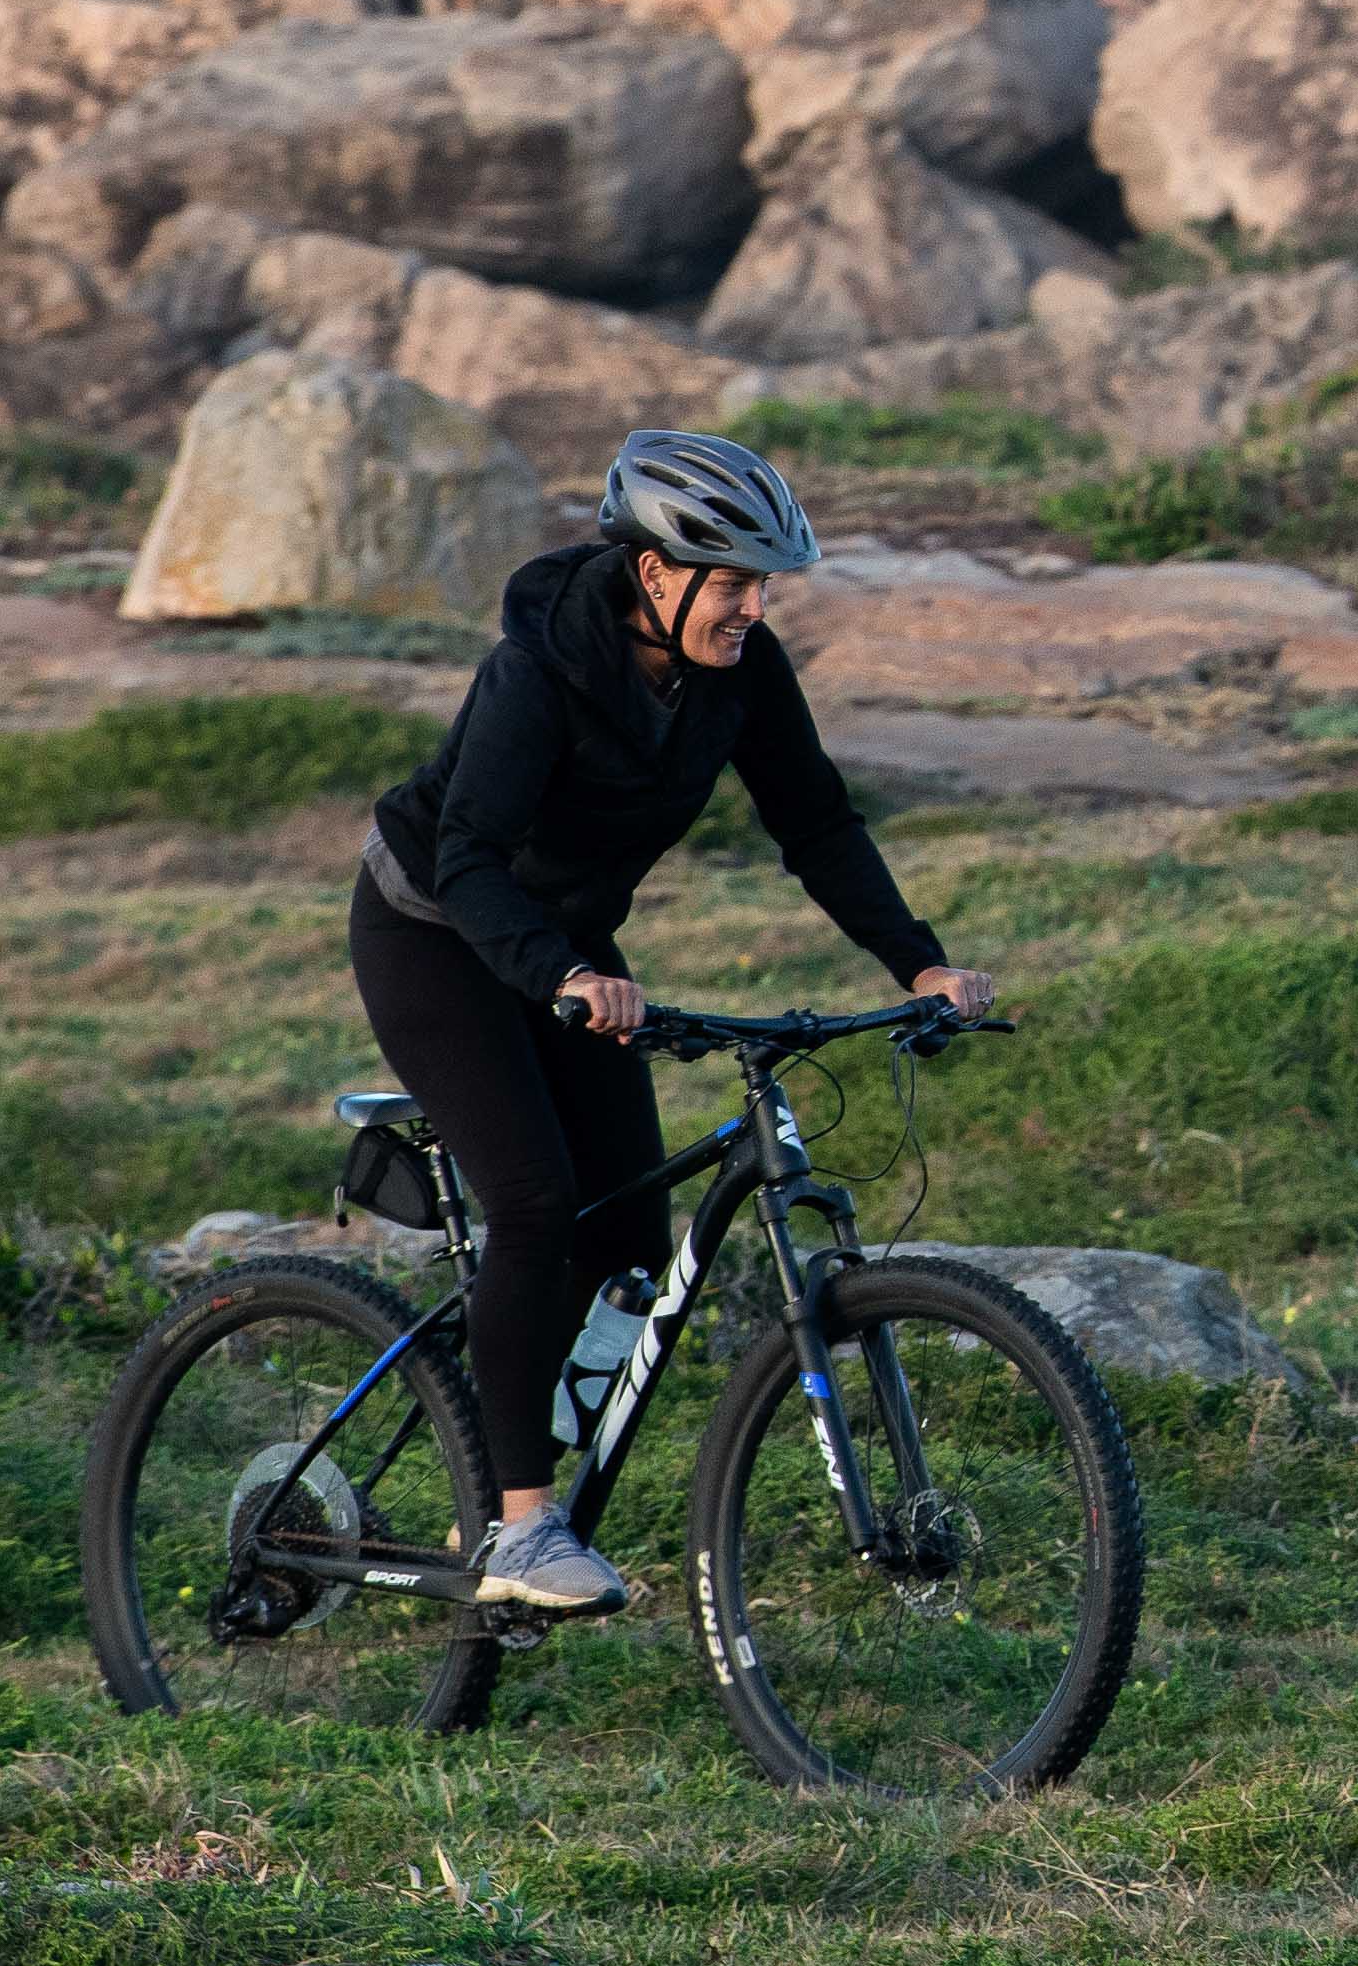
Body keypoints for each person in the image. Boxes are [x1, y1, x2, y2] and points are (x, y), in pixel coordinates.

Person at [350, 428, 993, 1621]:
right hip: (435, 932)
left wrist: (921, 960)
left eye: (765, 584)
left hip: (567, 947)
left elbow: (818, 824)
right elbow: (468, 858)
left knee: (633, 1234)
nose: (754, 606)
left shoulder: (741, 672)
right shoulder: (536, 672)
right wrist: (565, 974)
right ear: (655, 572)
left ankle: (495, 1462)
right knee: (538, 1203)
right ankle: (522, 1523)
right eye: (734, 582)